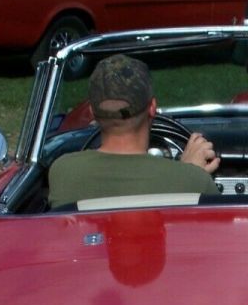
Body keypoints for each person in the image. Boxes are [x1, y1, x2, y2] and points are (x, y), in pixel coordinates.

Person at [46, 54, 219, 207]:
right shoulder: (194, 182)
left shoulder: (62, 171)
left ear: (92, 112)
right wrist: (188, 170)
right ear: (152, 107)